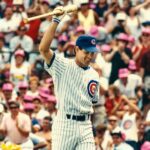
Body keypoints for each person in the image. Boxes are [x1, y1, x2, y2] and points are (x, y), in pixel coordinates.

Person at [39, 6, 100, 150]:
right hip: (65, 124)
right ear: (76, 49)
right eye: (86, 52)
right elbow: (43, 49)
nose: (90, 56)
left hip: (85, 124)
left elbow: (93, 101)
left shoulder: (94, 74)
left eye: (92, 53)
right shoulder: (63, 65)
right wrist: (55, 20)